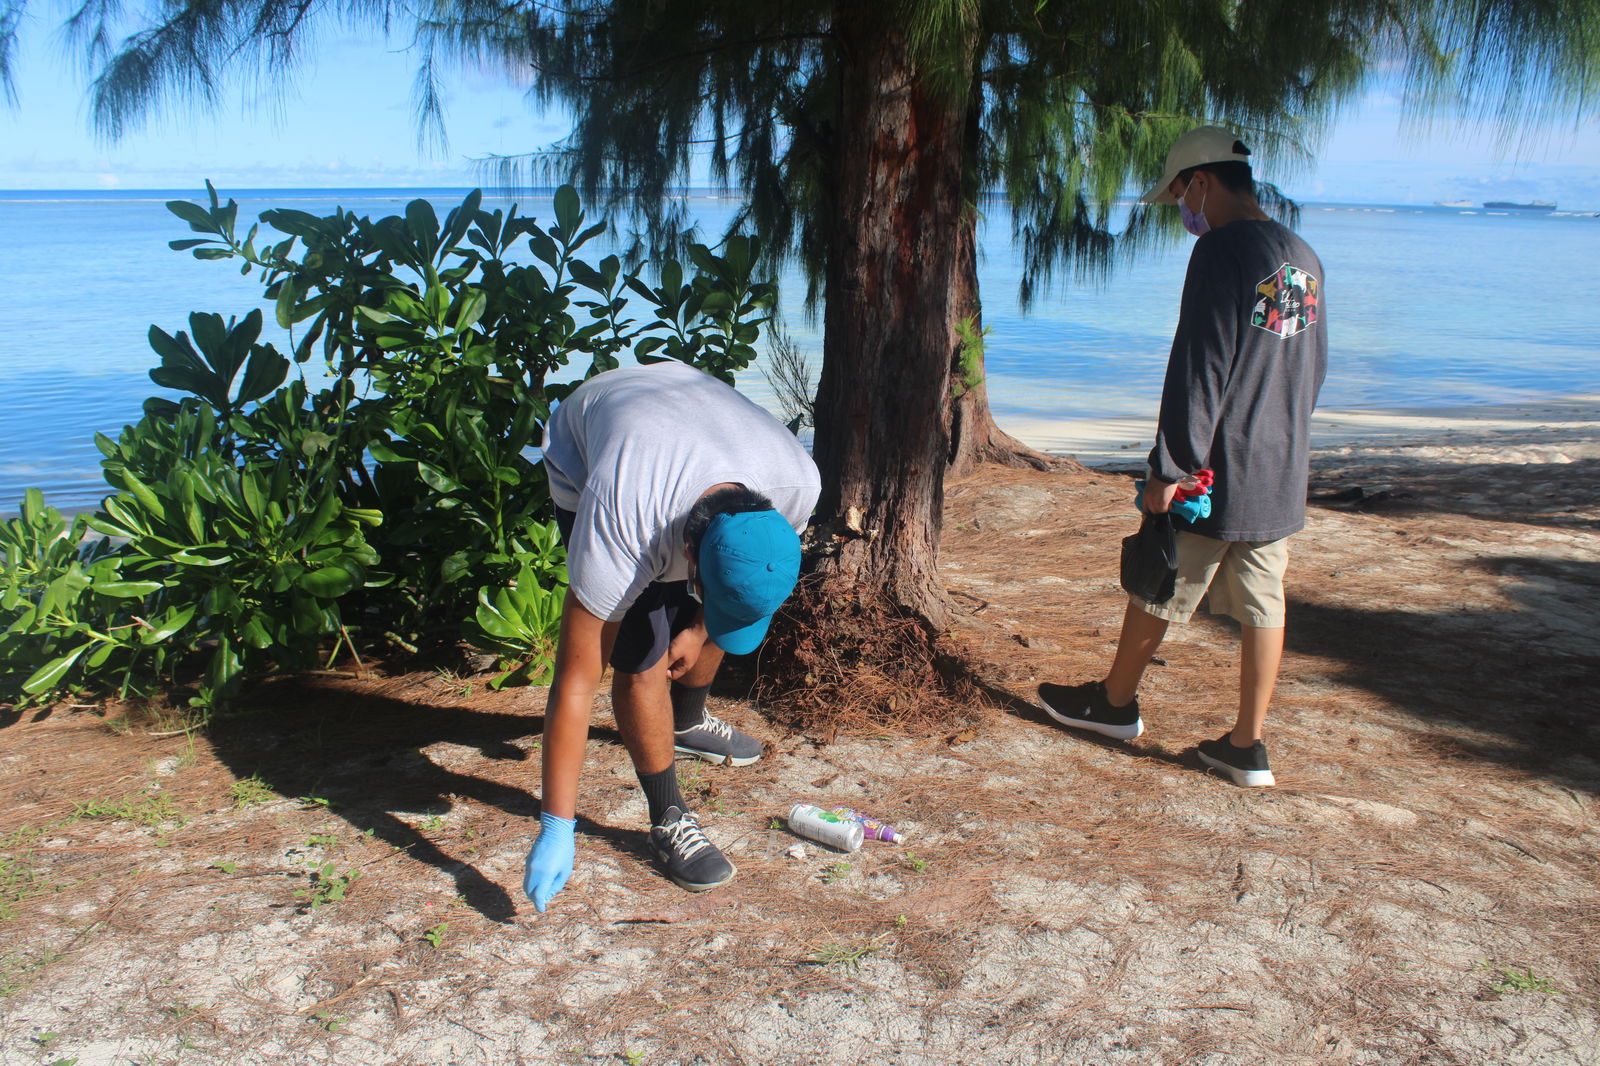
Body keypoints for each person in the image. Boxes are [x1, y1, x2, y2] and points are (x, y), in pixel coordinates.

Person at [1038, 126, 1328, 787]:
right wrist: (1286, 440)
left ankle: (1113, 704)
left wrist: (1169, 469)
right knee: (1264, 603)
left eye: (1178, 195)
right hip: (1280, 465)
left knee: (1160, 576)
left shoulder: (1222, 251)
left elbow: (1201, 365)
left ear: (1201, 180)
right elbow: (1311, 366)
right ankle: (1247, 746)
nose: (1182, 212)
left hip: (1215, 466)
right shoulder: (1301, 256)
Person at [522, 360, 820, 910]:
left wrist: (703, 623)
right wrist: (556, 824)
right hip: (590, 446)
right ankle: (668, 815)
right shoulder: (621, 519)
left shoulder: (798, 484)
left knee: (705, 611)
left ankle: (686, 721)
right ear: (687, 556)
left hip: (677, 431)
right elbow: (576, 681)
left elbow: (745, 582)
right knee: (641, 657)